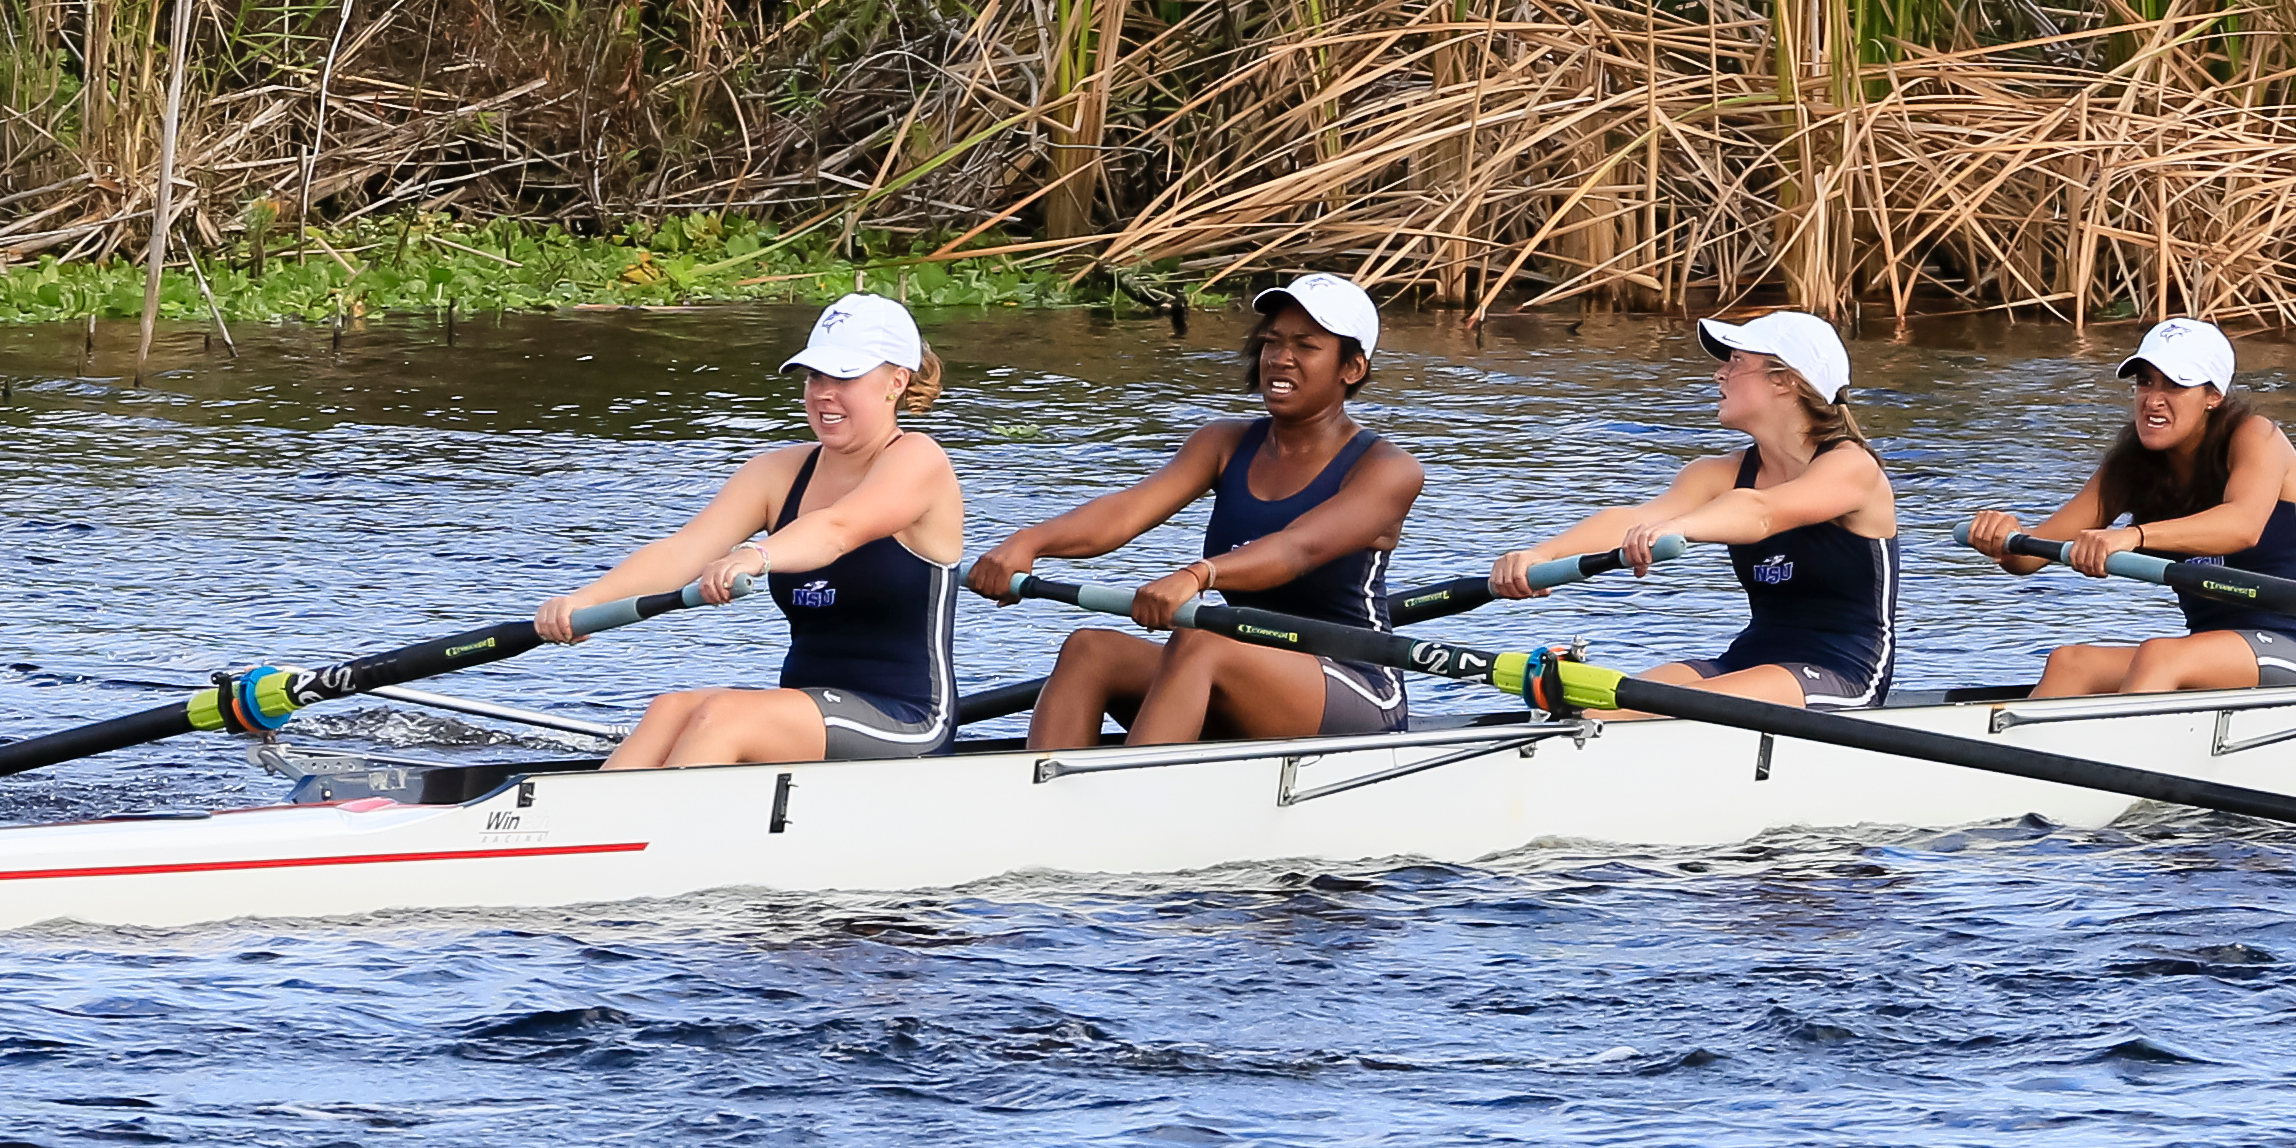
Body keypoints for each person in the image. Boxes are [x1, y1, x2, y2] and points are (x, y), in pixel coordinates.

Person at [965, 273, 1427, 749]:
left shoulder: (1388, 469)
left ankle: (1134, 796)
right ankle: (1040, 802)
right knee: (1090, 648)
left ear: (1351, 368)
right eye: (1272, 342)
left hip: (1355, 685)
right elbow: (1126, 511)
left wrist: (1197, 576)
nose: (1279, 358)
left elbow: (1298, 548)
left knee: (1200, 637)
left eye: (1306, 346)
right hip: (1237, 665)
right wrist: (1027, 543)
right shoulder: (1224, 442)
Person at [535, 294, 966, 767]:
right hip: (806, 709)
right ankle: (591, 830)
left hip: (907, 719)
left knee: (723, 717)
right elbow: (686, 550)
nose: (824, 393)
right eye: (816, 376)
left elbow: (838, 529)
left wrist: (756, 555)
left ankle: (651, 835)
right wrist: (586, 600)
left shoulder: (919, 459)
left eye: (845, 377)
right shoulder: (776, 473)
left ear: (896, 382)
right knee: (670, 709)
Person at [1483, 309, 1899, 710]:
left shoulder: (1852, 467)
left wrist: (1681, 527)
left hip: (1843, 673)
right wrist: (1541, 555)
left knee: (1678, 710)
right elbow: (1633, 518)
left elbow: (1761, 513)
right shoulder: (1717, 473)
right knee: (1594, 712)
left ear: (1784, 381)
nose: (1720, 373)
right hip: (1746, 659)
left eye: (1736, 362)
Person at [1961, 315, 2296, 698]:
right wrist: (2003, 536)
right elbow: (2026, 559)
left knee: (2159, 657)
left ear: (2214, 396)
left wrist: (2132, 537)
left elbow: (2242, 526)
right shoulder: (2132, 466)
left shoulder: (2256, 436)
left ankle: (2111, 754)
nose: (2152, 400)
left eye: (2175, 385)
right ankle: (2031, 755)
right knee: (2070, 662)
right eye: (2145, 382)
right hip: (2208, 650)